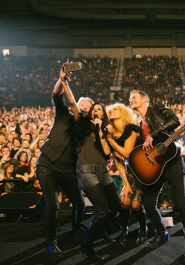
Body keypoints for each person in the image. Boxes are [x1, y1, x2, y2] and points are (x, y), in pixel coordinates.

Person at [129, 90, 185, 263]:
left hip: (172, 162)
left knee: (181, 204)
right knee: (148, 203)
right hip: (155, 167)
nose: (131, 99)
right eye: (130, 98)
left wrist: (154, 132)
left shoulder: (157, 108)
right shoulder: (139, 123)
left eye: (134, 97)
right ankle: (161, 233)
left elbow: (176, 121)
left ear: (144, 99)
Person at [61, 67, 120, 261]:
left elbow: (105, 152)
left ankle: (99, 230)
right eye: (88, 108)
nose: (91, 111)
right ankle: (87, 246)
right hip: (86, 171)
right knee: (102, 210)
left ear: (101, 113)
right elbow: (71, 101)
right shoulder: (80, 121)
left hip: (102, 171)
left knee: (115, 206)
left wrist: (101, 131)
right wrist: (64, 81)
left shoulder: (102, 129)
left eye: (95, 109)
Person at [36, 64, 93, 259]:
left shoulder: (86, 127)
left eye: (88, 108)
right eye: (82, 105)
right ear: (75, 104)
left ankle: (76, 228)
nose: (84, 108)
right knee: (53, 205)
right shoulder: (62, 114)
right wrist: (61, 80)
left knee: (81, 203)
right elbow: (57, 96)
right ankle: (51, 241)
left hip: (68, 169)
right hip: (47, 165)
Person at [105, 103, 147, 247]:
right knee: (125, 203)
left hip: (143, 170)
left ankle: (143, 228)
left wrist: (110, 140)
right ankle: (124, 230)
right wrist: (126, 184)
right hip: (129, 172)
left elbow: (127, 153)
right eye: (110, 110)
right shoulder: (113, 135)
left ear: (123, 113)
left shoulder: (132, 129)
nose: (111, 111)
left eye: (115, 109)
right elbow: (119, 162)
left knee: (135, 206)